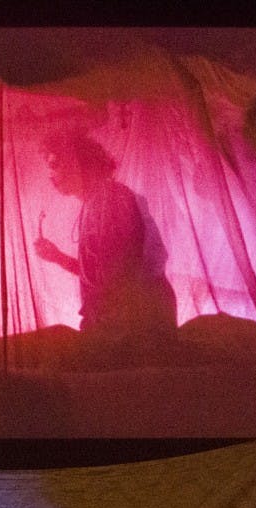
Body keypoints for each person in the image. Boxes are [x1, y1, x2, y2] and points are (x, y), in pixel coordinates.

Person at [33, 128, 176, 347]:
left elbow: (120, 276)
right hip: (123, 321)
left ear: (78, 163)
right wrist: (59, 258)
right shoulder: (97, 201)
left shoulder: (112, 200)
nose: (51, 176)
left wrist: (100, 328)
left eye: (55, 165)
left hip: (138, 325)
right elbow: (101, 273)